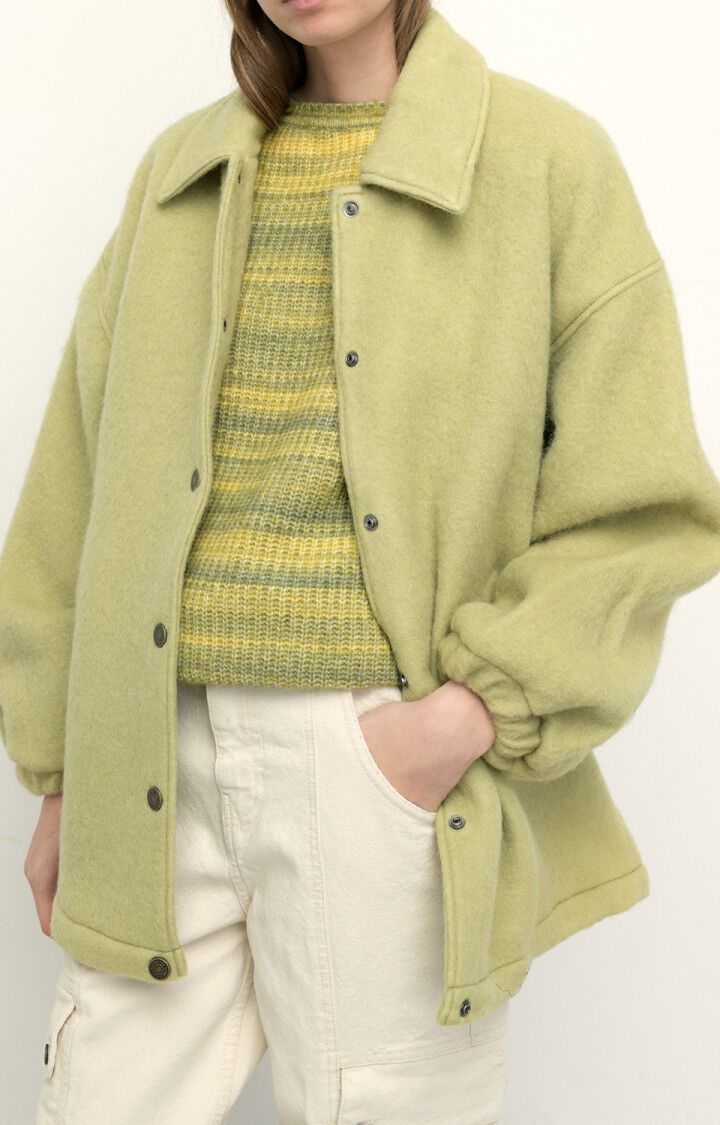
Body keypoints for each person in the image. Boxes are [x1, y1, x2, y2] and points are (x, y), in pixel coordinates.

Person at [2, 1, 720, 1121]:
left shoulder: (544, 162)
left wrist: (459, 722)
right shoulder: (180, 173)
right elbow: (74, 482)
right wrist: (63, 776)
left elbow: (643, 505)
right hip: (150, 762)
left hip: (375, 763)